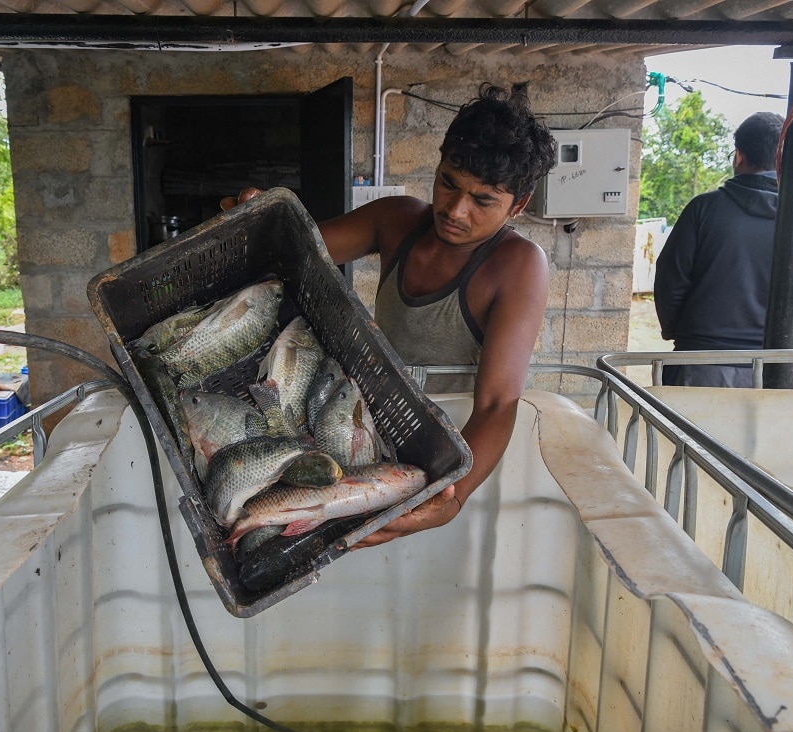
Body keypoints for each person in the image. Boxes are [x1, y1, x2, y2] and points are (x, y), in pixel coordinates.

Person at [225, 84, 556, 547]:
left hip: (452, 439)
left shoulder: (519, 265)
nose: (456, 210)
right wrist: (258, 217)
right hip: (370, 420)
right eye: (448, 183)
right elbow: (295, 248)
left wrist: (452, 498)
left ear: (518, 205)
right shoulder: (397, 219)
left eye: (483, 201)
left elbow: (498, 403)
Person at [653, 111, 793, 387]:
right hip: (775, 371)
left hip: (699, 366)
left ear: (739, 156)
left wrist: (684, 335)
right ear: (784, 160)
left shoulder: (703, 210)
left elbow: (670, 282)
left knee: (684, 419)